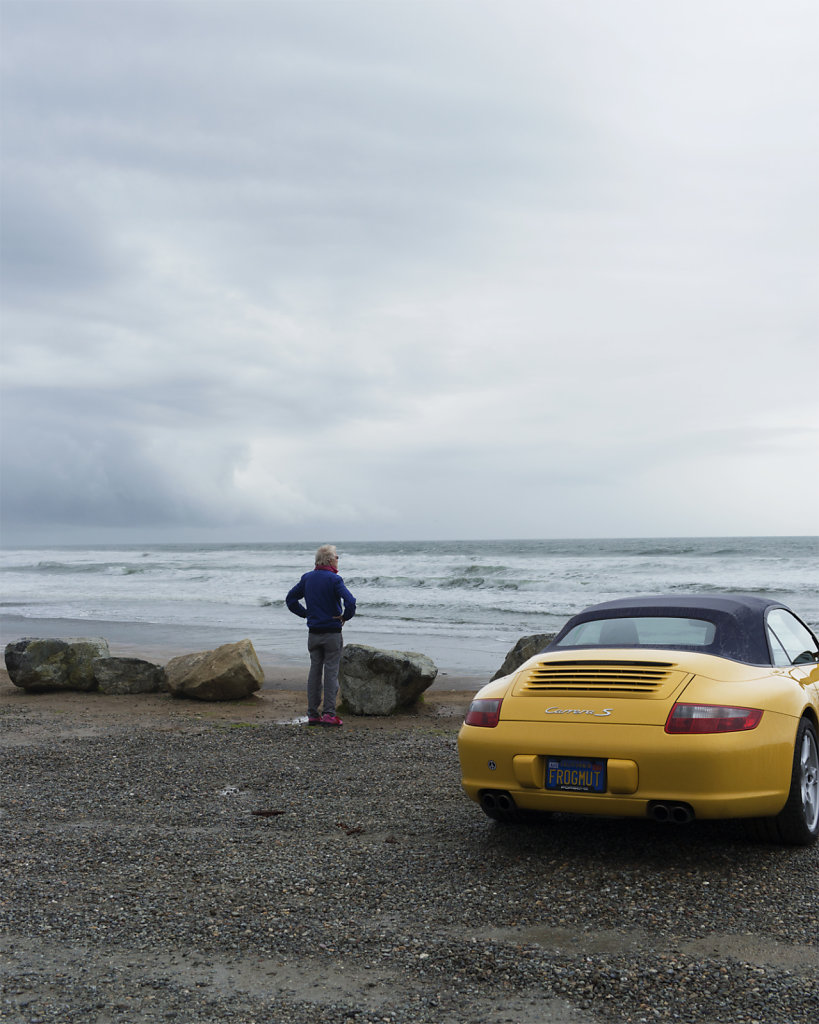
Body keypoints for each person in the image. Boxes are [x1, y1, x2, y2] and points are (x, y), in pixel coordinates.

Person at [286, 544, 356, 726]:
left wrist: (306, 613)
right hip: (332, 633)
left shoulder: (307, 578)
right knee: (331, 672)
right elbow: (351, 601)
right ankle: (329, 714)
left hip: (314, 633)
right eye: (337, 557)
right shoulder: (334, 579)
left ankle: (312, 714)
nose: (338, 560)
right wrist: (345, 617)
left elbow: (290, 599)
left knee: (315, 672)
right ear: (330, 560)